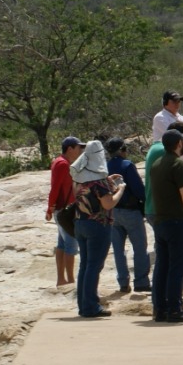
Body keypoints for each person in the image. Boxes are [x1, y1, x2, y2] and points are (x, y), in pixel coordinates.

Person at [149, 129, 183, 322]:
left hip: (160, 221)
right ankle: (175, 308)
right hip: (177, 221)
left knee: (161, 266)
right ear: (179, 144)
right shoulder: (177, 164)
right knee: (177, 267)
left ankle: (159, 309)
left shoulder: (156, 164)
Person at [70, 141, 124, 318]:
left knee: (85, 265)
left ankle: (84, 305)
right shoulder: (99, 181)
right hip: (98, 225)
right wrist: (120, 190)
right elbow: (108, 203)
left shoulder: (78, 177)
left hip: (80, 223)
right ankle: (91, 306)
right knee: (94, 266)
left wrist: (108, 182)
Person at [105, 138, 150, 294]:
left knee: (118, 249)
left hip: (112, 211)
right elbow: (138, 189)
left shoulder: (105, 167)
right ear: (122, 149)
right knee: (139, 247)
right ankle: (141, 282)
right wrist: (146, 203)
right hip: (130, 211)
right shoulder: (127, 165)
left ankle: (123, 283)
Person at [45, 135, 84, 287]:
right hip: (65, 210)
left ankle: (61, 280)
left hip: (62, 209)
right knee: (71, 244)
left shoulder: (59, 161)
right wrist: (50, 208)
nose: (80, 150)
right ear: (70, 149)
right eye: (78, 147)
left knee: (62, 244)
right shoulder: (62, 164)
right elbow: (55, 188)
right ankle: (70, 280)